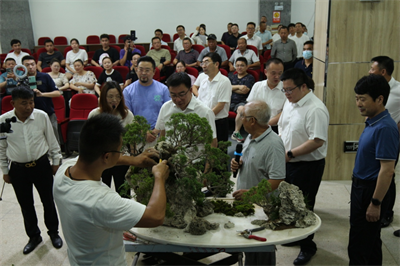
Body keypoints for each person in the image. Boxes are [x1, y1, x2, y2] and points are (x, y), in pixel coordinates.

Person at [53, 113, 170, 265]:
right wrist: (159, 177)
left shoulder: (63, 171)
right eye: (120, 150)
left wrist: (134, 160)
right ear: (107, 157)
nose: (122, 154)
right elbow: (156, 216)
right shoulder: (101, 200)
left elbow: (100, 158)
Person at [0, 87, 63, 254]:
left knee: (48, 201)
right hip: (18, 170)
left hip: (41, 166)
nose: (29, 107)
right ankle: (34, 236)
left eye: (31, 102)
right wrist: (5, 170)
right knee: (26, 205)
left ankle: (54, 233)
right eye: (24, 103)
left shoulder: (41, 116)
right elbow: (1, 148)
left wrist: (56, 161)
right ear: (13, 103)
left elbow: (52, 140)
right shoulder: (4, 121)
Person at [278, 68, 329, 265]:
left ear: (304, 87)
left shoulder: (315, 108)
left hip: (308, 166)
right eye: (284, 90)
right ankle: (296, 237)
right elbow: (283, 127)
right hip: (288, 162)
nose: (287, 94)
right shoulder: (290, 102)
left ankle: (308, 247)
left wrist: (290, 154)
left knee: (305, 207)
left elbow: (317, 141)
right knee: (288, 202)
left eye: (290, 90)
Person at [348, 74, 399, 266]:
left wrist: (375, 203)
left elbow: (387, 170)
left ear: (379, 99)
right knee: (370, 241)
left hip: (371, 191)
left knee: (359, 245)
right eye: (356, 98)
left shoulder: (385, 128)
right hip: (361, 187)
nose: (358, 103)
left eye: (363, 99)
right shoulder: (373, 120)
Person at [231, 100, 286, 266]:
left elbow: (277, 180)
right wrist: (238, 163)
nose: (240, 118)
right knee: (249, 248)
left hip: (263, 208)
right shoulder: (251, 136)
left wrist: (251, 193)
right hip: (247, 204)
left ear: (252, 120)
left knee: (262, 252)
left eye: (243, 116)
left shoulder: (273, 144)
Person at [368, 56, 400, 233]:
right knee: (374, 173)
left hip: (390, 139)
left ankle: (386, 212)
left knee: (388, 173)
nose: (369, 72)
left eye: (372, 69)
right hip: (373, 136)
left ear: (383, 72)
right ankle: (373, 203)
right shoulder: (373, 89)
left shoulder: (399, 89)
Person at [88, 81, 134, 196]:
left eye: (118, 96)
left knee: (124, 194)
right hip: (101, 161)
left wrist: (133, 158)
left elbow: (132, 139)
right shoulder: (95, 115)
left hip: (121, 158)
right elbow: (89, 140)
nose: (115, 100)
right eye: (111, 96)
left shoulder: (127, 115)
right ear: (104, 97)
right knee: (102, 194)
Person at [155, 72, 217, 147]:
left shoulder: (205, 112)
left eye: (181, 95)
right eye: (173, 95)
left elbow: (212, 142)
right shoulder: (166, 107)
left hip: (195, 158)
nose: (177, 99)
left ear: (190, 90)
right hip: (170, 157)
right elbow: (163, 134)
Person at [232, 58, 285, 142]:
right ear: (265, 72)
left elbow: (285, 111)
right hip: (257, 126)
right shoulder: (258, 86)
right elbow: (250, 106)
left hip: (277, 127)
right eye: (273, 73)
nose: (277, 77)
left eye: (280, 73)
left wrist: (267, 124)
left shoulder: (286, 88)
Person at [123, 56, 170, 144]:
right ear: (136, 70)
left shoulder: (163, 89)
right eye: (141, 69)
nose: (143, 73)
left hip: (159, 136)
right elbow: (128, 116)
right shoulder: (128, 91)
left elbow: (167, 112)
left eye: (147, 70)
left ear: (154, 72)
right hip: (136, 137)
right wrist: (143, 132)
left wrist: (156, 130)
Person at [22, 55, 61, 142]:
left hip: (48, 113)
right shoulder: (21, 80)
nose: (30, 67)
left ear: (36, 65)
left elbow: (57, 93)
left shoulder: (45, 76)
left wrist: (42, 94)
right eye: (27, 65)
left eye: (32, 64)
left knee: (53, 139)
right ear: (23, 67)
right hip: (30, 115)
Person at [198, 52, 232, 143]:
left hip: (218, 122)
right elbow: (199, 101)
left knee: (219, 152)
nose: (203, 66)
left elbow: (220, 105)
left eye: (206, 62)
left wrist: (205, 118)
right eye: (202, 63)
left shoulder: (224, 81)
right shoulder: (204, 81)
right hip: (205, 120)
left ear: (216, 64)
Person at [229, 57, 255, 132]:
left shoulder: (250, 77)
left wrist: (232, 88)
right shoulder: (232, 77)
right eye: (237, 65)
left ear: (247, 67)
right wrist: (239, 87)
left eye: (242, 65)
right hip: (229, 101)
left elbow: (244, 91)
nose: (239, 67)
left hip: (242, 102)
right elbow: (226, 88)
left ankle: (236, 132)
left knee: (241, 109)